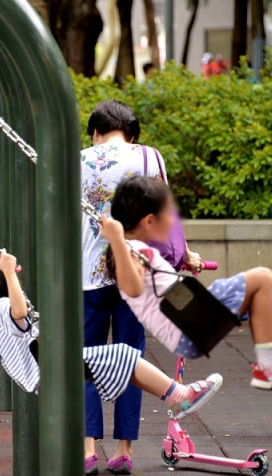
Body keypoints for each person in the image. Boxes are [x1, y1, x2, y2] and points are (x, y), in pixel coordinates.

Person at [101, 176, 272, 391]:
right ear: (149, 221)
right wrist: (117, 240)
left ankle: (269, 367)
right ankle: (271, 367)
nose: (173, 221)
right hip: (189, 324)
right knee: (264, 278)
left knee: (259, 292)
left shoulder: (135, 249)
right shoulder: (130, 252)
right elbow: (132, 287)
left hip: (189, 324)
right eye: (169, 214)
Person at [0, 249, 222, 431]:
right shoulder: (2, 306)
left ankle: (174, 397)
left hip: (42, 375)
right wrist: (9, 271)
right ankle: (181, 396)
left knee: (122, 362)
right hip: (51, 369)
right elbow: (19, 312)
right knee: (124, 353)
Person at [81, 100, 202, 475]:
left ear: (96, 131)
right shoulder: (148, 157)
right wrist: (183, 255)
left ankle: (87, 449)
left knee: (85, 360)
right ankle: (123, 451)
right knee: (132, 360)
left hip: (87, 274)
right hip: (134, 273)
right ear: (132, 133)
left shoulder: (76, 159)